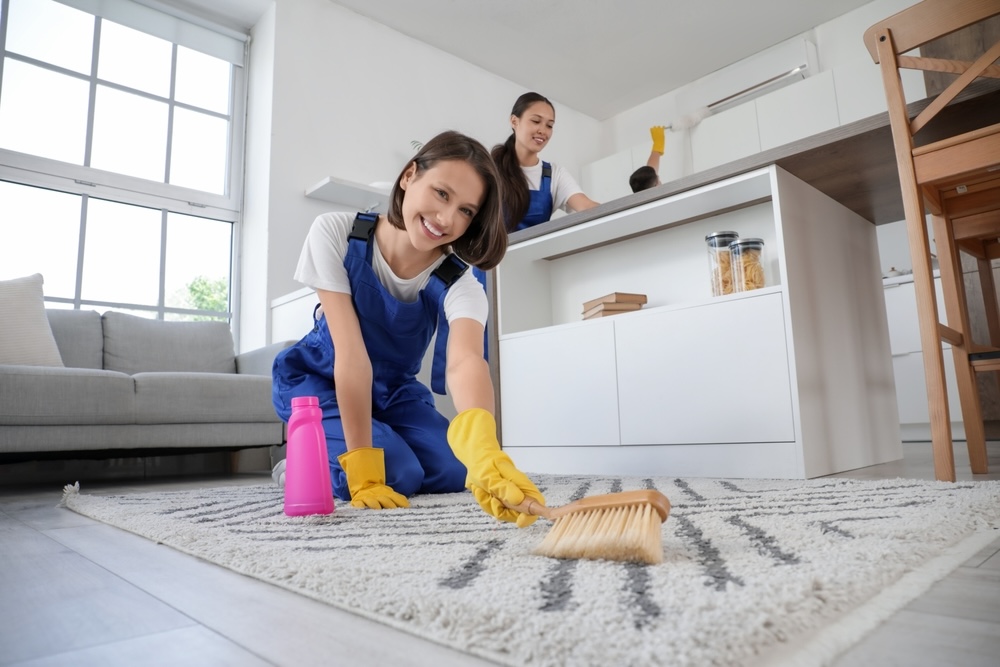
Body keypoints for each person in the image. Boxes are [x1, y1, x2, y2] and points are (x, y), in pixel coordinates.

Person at [271, 130, 544, 527]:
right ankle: (301, 462)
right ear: (409, 176)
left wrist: (485, 449)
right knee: (398, 473)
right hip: (322, 381)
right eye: (442, 194)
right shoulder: (336, 233)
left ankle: (345, 450)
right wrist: (363, 467)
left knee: (457, 470)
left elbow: (467, 360)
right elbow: (350, 355)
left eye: (467, 211)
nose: (447, 219)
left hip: (393, 392)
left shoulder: (460, 282)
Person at [491, 92, 600, 232]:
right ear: (514, 121)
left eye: (549, 125)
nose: (543, 131)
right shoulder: (489, 168)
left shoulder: (555, 174)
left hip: (536, 253)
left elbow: (586, 206)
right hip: (488, 254)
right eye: (536, 121)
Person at [629, 125, 665, 193]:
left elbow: (652, 168)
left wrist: (658, 144)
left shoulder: (644, 188)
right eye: (658, 178)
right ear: (656, 185)